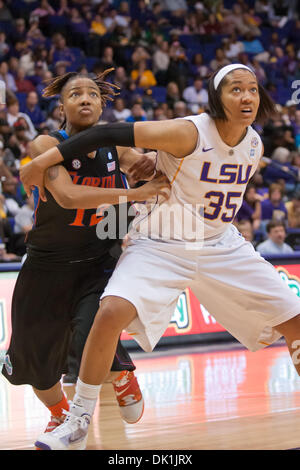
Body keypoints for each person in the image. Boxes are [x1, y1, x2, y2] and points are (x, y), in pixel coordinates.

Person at [21, 64, 300, 451]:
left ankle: (115, 377)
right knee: (106, 313)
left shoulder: (254, 145)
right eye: (236, 89)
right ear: (217, 97)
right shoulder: (187, 131)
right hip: (159, 240)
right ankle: (78, 419)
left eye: (252, 89)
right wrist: (38, 164)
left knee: (295, 319)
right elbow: (103, 138)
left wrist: (143, 165)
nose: (247, 96)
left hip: (220, 243)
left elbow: (132, 158)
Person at [2, 69, 170, 449]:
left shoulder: (117, 149)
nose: (85, 99)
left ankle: (120, 373)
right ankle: (61, 414)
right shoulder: (45, 143)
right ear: (61, 105)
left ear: (102, 103)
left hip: (98, 260)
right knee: (32, 364)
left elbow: (147, 167)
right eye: (75, 94)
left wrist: (155, 164)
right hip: (46, 262)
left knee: (90, 332)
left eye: (92, 94)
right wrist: (137, 196)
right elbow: (68, 196)